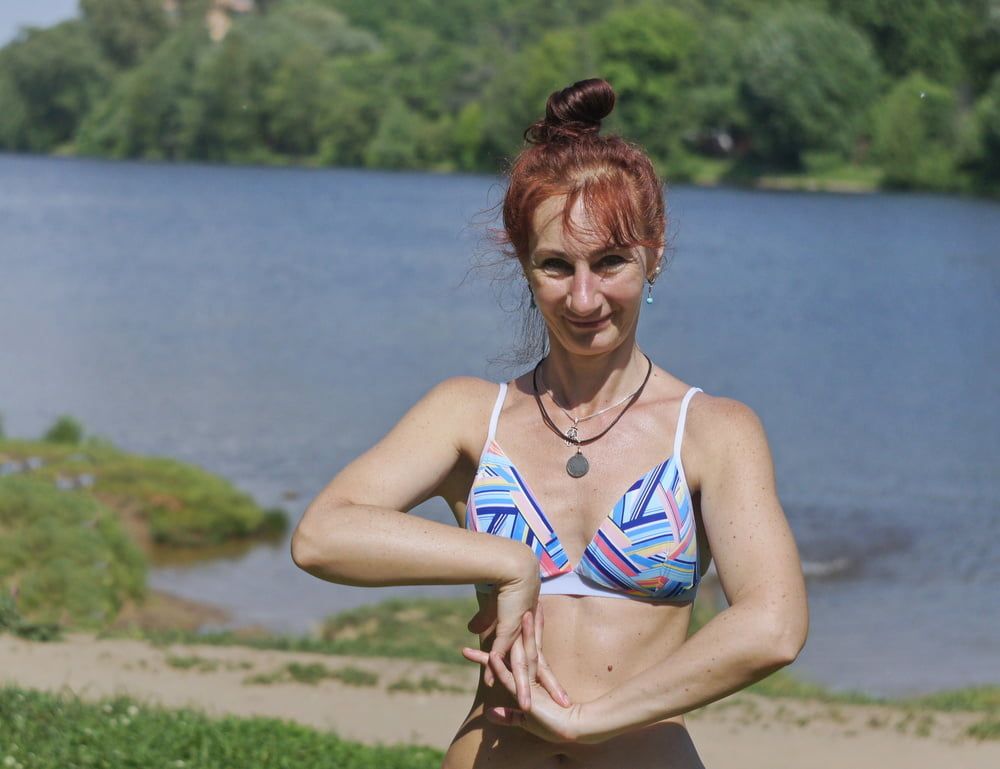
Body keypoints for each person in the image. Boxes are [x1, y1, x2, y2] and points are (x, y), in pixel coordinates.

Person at [291, 78, 809, 768]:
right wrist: (508, 559)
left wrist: (588, 722)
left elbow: (773, 624)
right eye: (557, 266)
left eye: (611, 262)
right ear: (525, 266)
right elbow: (321, 535)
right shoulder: (470, 414)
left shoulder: (714, 430)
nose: (585, 296)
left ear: (653, 255)